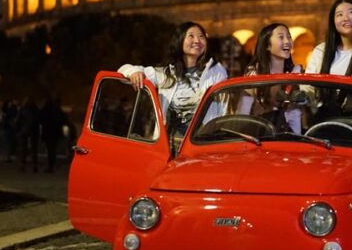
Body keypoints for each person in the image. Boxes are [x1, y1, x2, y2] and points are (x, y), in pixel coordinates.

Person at [119, 21, 227, 153]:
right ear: (179, 40)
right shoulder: (167, 74)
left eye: (201, 36)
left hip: (201, 146)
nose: (197, 40)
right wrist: (134, 72)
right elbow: (124, 70)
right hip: (168, 147)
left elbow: (223, 108)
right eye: (191, 36)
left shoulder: (216, 71)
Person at [240, 23, 303, 133]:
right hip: (261, 135)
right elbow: (243, 113)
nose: (287, 41)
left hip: (288, 135)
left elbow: (295, 115)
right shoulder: (253, 75)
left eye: (289, 37)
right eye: (281, 37)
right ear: (267, 46)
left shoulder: (296, 73)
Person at [39, 96, 66, 173]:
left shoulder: (46, 111)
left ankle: (50, 166)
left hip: (49, 133)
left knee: (50, 150)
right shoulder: (57, 111)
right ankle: (51, 165)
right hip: (54, 133)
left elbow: (40, 119)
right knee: (52, 150)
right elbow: (63, 120)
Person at [15, 98, 40, 173]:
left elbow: (18, 120)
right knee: (33, 149)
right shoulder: (35, 111)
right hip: (32, 132)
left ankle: (23, 165)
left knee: (23, 149)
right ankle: (33, 165)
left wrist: (18, 129)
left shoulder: (23, 110)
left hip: (25, 131)